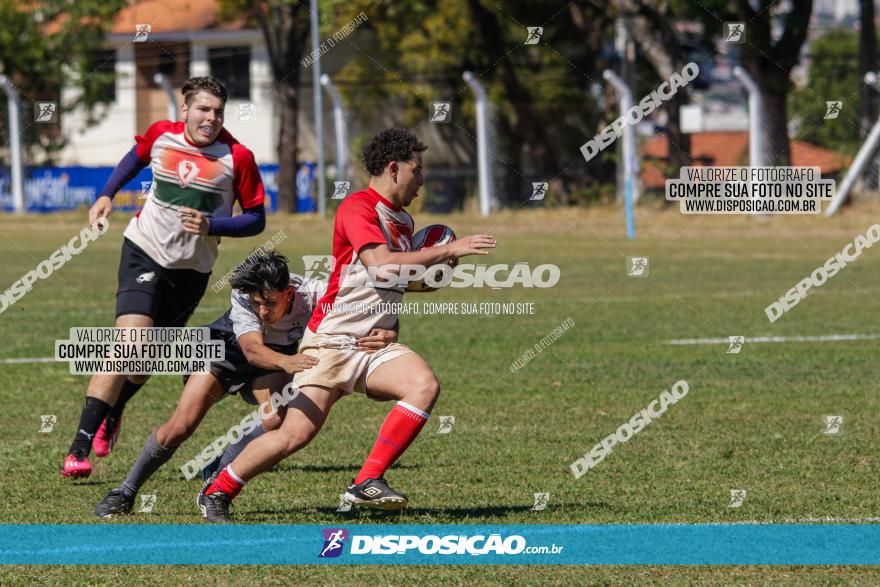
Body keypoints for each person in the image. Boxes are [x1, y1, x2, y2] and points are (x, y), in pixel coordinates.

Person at [198, 127, 496, 522]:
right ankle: (218, 490)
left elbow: (393, 283)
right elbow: (380, 264)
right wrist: (448, 249)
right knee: (293, 435)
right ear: (393, 168)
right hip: (331, 341)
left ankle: (367, 480)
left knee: (423, 385)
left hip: (374, 346)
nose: (421, 181)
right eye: (417, 171)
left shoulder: (403, 221)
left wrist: (404, 313)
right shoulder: (358, 207)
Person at [63, 76, 268, 478]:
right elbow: (133, 158)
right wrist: (106, 193)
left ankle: (114, 411)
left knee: (142, 363)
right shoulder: (162, 136)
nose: (211, 118)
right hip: (144, 251)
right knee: (128, 345)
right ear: (185, 109)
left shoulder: (237, 156)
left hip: (192, 271)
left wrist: (213, 225)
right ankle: (79, 446)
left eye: (218, 112)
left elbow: (257, 218)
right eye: (204, 109)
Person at [93, 250, 398, 517]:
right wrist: (288, 363)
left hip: (269, 363)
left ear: (289, 291)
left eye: (270, 302)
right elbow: (252, 350)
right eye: (257, 303)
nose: (263, 310)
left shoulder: (316, 294)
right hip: (223, 354)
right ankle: (125, 491)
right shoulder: (243, 294)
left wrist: (389, 331)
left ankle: (217, 475)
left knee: (280, 411)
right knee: (181, 425)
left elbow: (365, 307)